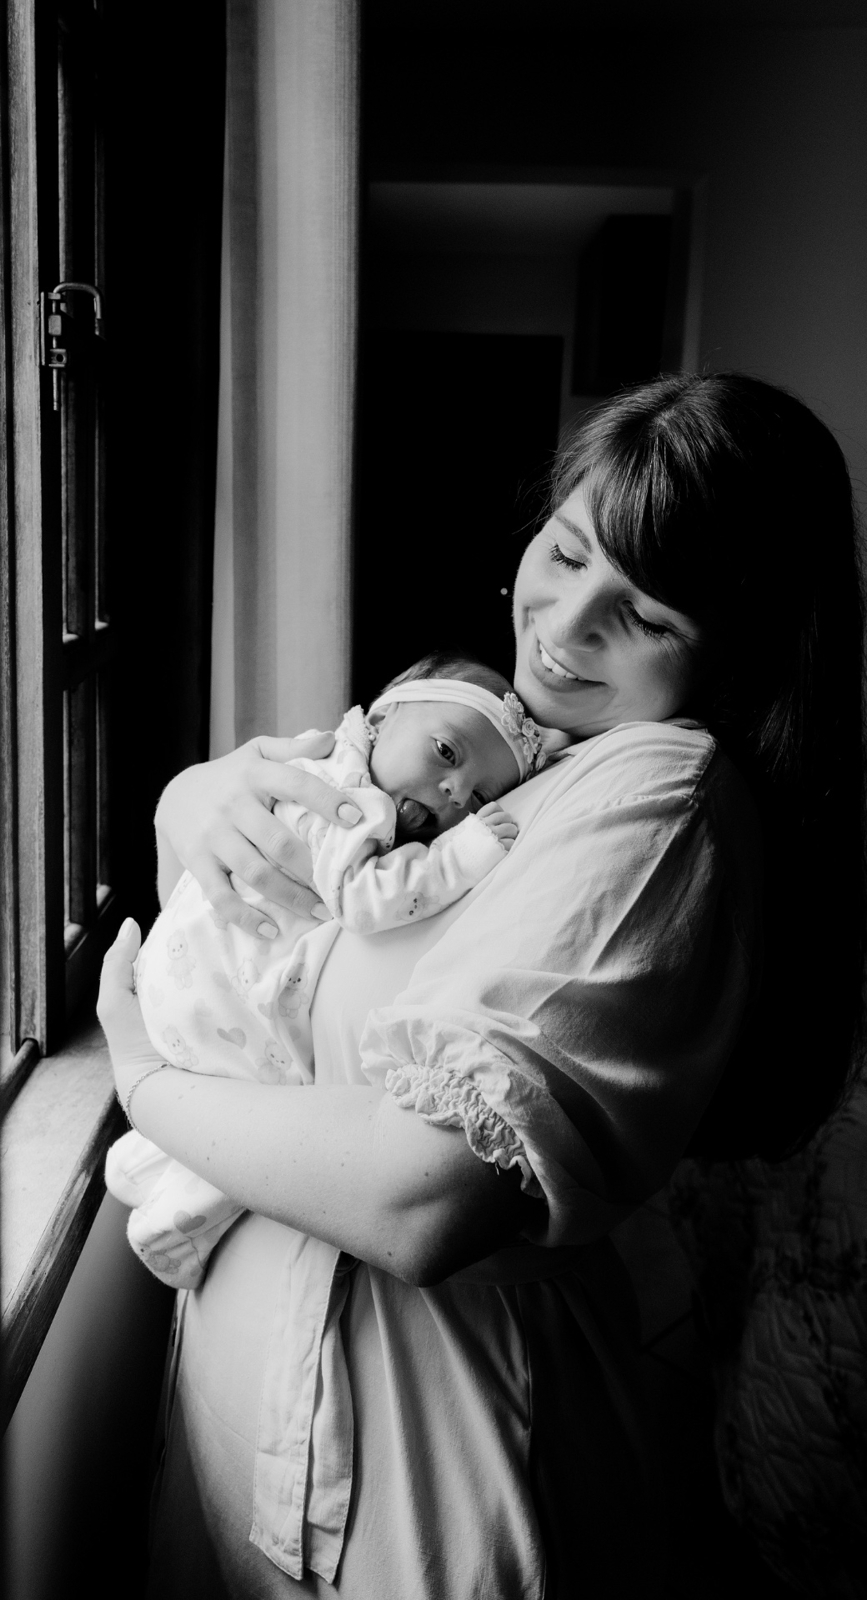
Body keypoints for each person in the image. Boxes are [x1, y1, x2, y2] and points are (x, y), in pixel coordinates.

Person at [97, 373, 866, 1598]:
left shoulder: (657, 797)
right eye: (562, 552)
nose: (565, 626)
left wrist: (144, 1084)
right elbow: (267, 975)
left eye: (644, 615)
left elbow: (419, 1199)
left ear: (735, 651)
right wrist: (191, 806)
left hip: (431, 1473)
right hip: (264, 1433)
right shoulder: (511, 750)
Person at [105, 654, 564, 1290]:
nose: (457, 792)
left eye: (480, 795)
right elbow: (364, 899)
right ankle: (177, 1223)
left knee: (229, 1107)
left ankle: (146, 1162)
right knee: (265, 1108)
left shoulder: (330, 767)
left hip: (180, 988)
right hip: (210, 1003)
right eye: (446, 751)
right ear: (382, 718)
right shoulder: (349, 799)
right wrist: (464, 854)